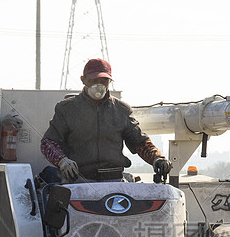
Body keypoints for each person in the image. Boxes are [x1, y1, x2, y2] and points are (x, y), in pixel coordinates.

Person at [40, 58, 172, 182]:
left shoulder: (122, 109)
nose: (99, 85)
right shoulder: (66, 109)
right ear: (83, 80)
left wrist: (157, 158)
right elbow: (48, 142)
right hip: (78, 180)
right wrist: (62, 161)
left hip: (114, 179)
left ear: (110, 81)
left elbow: (139, 142)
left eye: (104, 81)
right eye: (93, 80)